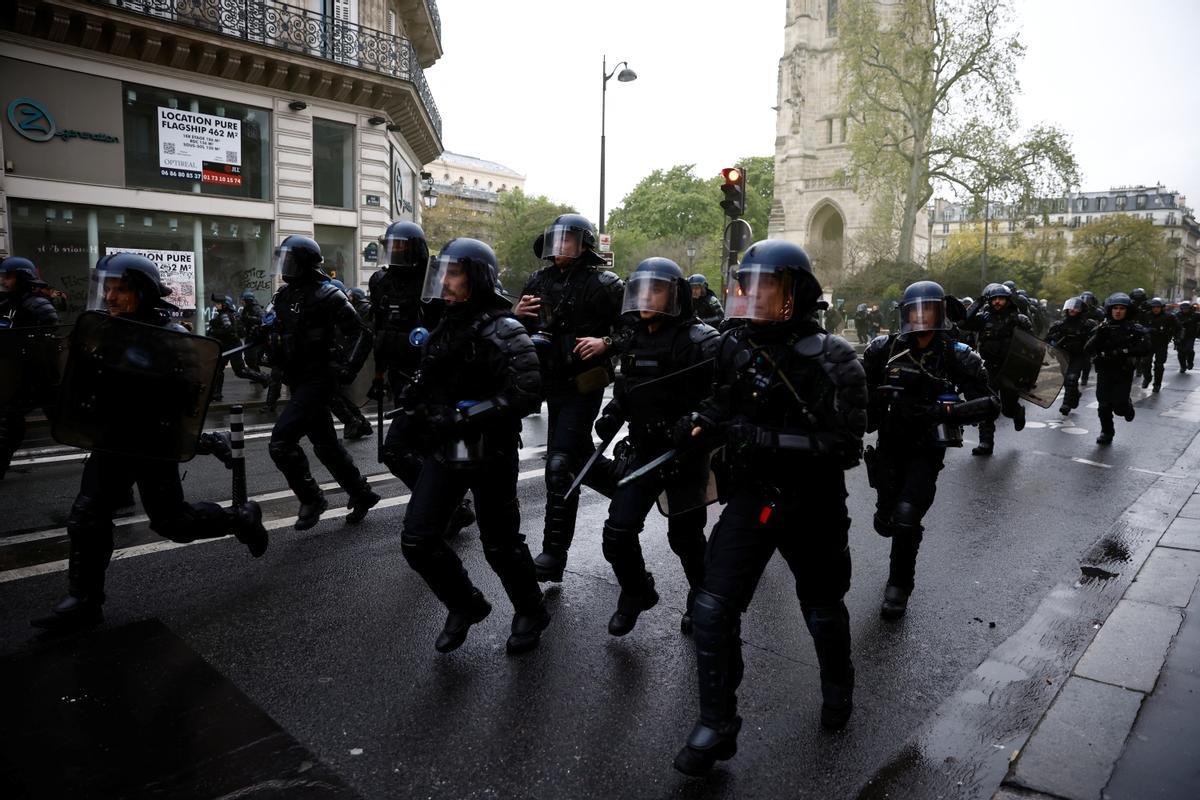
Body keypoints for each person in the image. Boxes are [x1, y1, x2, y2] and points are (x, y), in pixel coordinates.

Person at [669, 239, 867, 776]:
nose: (753, 297)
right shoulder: (734, 346)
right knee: (711, 607)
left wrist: (764, 438)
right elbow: (721, 402)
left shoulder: (835, 357)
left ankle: (837, 684)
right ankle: (717, 724)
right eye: (747, 285)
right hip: (753, 496)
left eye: (767, 287)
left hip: (813, 503)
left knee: (822, 606)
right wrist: (698, 423)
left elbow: (847, 445)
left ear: (795, 294)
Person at [32, 253, 267, 632]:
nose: (110, 296)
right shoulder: (103, 330)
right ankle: (85, 600)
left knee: (174, 523)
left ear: (141, 292)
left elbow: (188, 400)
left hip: (151, 443)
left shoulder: (170, 337)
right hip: (111, 440)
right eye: (107, 288)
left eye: (120, 289)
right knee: (87, 515)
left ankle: (240, 519)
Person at [398, 238, 549, 655]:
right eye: (442, 273)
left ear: (476, 278)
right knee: (417, 539)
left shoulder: (505, 329)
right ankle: (465, 604)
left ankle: (531, 610)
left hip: (489, 450)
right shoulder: (444, 326)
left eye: (455, 273)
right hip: (447, 448)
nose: (445, 282)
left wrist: (466, 415)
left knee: (500, 544)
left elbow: (526, 393)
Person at [595, 258, 719, 637]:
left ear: (676, 294)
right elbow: (627, 388)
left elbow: (722, 397)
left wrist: (695, 420)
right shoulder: (633, 337)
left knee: (685, 540)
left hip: (684, 455)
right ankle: (636, 591)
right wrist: (614, 413)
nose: (647, 297)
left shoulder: (701, 341)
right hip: (645, 450)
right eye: (642, 289)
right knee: (617, 534)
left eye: (658, 289)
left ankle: (699, 597)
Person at [863, 281, 998, 620]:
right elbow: (858, 395)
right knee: (887, 521)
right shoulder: (884, 349)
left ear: (939, 312)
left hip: (926, 446)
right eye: (914, 310)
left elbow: (990, 403)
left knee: (908, 517)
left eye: (928, 309)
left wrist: (944, 411)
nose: (921, 317)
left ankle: (899, 586)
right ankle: (889, 518)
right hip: (889, 445)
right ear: (905, 314)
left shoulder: (956, 354)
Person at [514, 214, 625, 582]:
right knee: (574, 458)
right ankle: (625, 490)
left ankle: (553, 554)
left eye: (569, 240)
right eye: (555, 240)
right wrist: (516, 317)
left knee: (560, 465)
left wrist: (606, 342)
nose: (560, 248)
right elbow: (518, 331)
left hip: (583, 384)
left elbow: (636, 328)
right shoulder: (538, 280)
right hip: (551, 384)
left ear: (585, 245)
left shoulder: (604, 284)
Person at [260, 236, 379, 530]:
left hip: (319, 378)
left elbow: (361, 334)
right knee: (326, 446)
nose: (285, 266)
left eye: (290, 260)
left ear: (304, 263)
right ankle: (362, 493)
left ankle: (312, 498)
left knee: (281, 442)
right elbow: (279, 334)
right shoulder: (284, 296)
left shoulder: (328, 295)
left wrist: (348, 369)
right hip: (298, 379)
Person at [369, 220, 475, 537]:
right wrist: (379, 373)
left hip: (433, 378)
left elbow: (453, 328)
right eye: (392, 247)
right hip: (402, 376)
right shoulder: (380, 282)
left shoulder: (436, 280)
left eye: (401, 247)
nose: (395, 253)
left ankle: (445, 507)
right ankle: (450, 508)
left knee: (397, 449)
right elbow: (379, 330)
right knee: (424, 447)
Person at [0, 256, 60, 479]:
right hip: (16, 373)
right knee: (8, 421)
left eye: (9, 276)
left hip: (38, 373)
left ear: (22, 278)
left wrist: (25, 342)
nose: (4, 281)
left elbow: (49, 327)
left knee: (65, 424)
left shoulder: (36, 303)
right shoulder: (7, 303)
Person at [961, 283, 1032, 456]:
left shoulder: (1018, 319)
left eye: (1001, 298)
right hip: (988, 368)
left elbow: (1031, 345)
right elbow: (963, 322)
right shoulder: (984, 318)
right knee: (987, 405)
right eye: (994, 299)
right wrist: (979, 301)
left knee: (1007, 409)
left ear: (1008, 300)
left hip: (1009, 369)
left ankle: (1017, 411)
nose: (998, 302)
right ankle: (986, 443)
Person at [1085, 293, 1149, 445]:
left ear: (1128, 311)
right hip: (1105, 370)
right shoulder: (1102, 328)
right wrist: (1099, 335)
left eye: (1122, 308)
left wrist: (1125, 351)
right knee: (1104, 405)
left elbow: (1145, 348)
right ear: (1110, 310)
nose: (1118, 311)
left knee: (1120, 407)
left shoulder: (1135, 329)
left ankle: (1127, 407)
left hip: (1123, 371)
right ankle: (1107, 432)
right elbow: (1087, 348)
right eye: (1115, 308)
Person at [327, 283, 374, 441]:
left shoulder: (349, 310)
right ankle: (360, 423)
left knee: (330, 395)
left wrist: (349, 364)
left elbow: (362, 334)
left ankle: (354, 422)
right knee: (335, 394)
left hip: (338, 359)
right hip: (336, 358)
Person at [208, 293, 270, 400]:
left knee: (239, 371)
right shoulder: (229, 314)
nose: (216, 305)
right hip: (228, 346)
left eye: (219, 303)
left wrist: (214, 331)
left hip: (231, 346)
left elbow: (229, 331)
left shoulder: (224, 315)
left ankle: (264, 378)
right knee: (219, 369)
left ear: (225, 305)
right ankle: (216, 394)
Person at [1047, 297, 1099, 415]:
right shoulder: (1059, 325)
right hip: (1063, 356)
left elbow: (1096, 339)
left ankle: (1066, 404)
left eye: (1076, 308)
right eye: (1071, 307)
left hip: (1079, 356)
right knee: (1067, 381)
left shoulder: (1088, 325)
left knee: (1072, 378)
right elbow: (1048, 340)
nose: (1072, 310)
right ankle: (1074, 396)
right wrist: (1053, 341)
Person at [1141, 297, 1177, 392]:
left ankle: (1157, 384)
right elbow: (1140, 327)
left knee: (1159, 365)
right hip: (1149, 343)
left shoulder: (1169, 317)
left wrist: (1178, 338)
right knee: (1145, 362)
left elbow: (1178, 327)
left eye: (1157, 307)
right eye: (1153, 307)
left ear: (1162, 307)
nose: (1155, 309)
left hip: (1162, 343)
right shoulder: (1146, 315)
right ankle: (1147, 377)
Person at [1078, 291, 1104, 386]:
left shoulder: (1098, 312)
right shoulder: (1078, 309)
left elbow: (1103, 324)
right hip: (1079, 335)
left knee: (1086, 359)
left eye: (1089, 300)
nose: (1087, 302)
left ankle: (1085, 377)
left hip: (1091, 336)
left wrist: (1096, 324)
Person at [238, 290, 266, 370]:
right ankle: (257, 375)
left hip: (256, 336)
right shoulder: (246, 309)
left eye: (243, 300)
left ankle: (267, 374)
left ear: (248, 300)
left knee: (255, 358)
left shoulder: (255, 307)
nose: (241, 302)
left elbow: (262, 319)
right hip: (249, 336)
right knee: (248, 358)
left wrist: (248, 318)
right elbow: (243, 320)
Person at [1175, 300, 1198, 373]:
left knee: (1189, 350)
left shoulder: (1195, 315)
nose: (1185, 310)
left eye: (1187, 309)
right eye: (1184, 309)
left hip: (1190, 336)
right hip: (1179, 336)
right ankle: (1183, 366)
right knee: (1180, 352)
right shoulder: (1177, 315)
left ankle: (1190, 362)